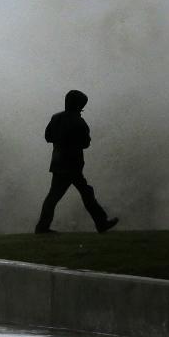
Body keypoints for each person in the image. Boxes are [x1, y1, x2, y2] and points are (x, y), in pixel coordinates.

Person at [34, 90, 119, 234]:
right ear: (78, 105)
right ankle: (101, 223)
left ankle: (42, 227)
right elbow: (86, 143)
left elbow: (48, 137)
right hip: (73, 164)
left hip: (58, 163)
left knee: (54, 196)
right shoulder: (78, 121)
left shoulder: (56, 118)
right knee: (85, 193)